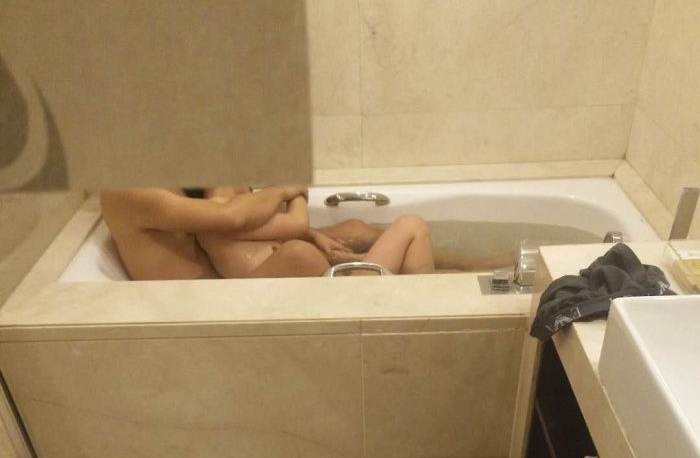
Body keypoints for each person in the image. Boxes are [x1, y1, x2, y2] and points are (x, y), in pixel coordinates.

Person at [99, 186, 515, 280]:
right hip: (219, 297)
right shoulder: (136, 190)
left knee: (354, 229)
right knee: (409, 227)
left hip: (255, 270)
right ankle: (432, 291)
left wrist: (309, 232)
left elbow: (239, 220)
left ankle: (465, 268)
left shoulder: (194, 188)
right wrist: (288, 190)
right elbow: (230, 217)